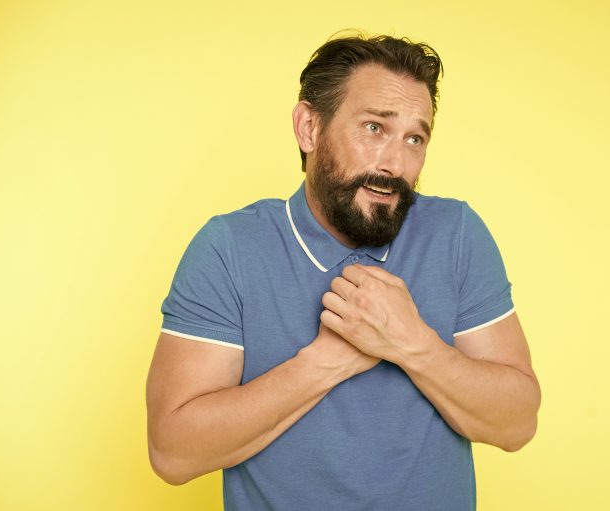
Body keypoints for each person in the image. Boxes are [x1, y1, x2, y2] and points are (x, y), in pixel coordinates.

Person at [146, 33, 541, 511]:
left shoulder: (455, 233)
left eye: (414, 139)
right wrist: (324, 363)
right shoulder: (229, 248)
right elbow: (173, 453)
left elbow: (517, 424)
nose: (395, 164)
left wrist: (412, 343)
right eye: (375, 128)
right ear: (309, 128)